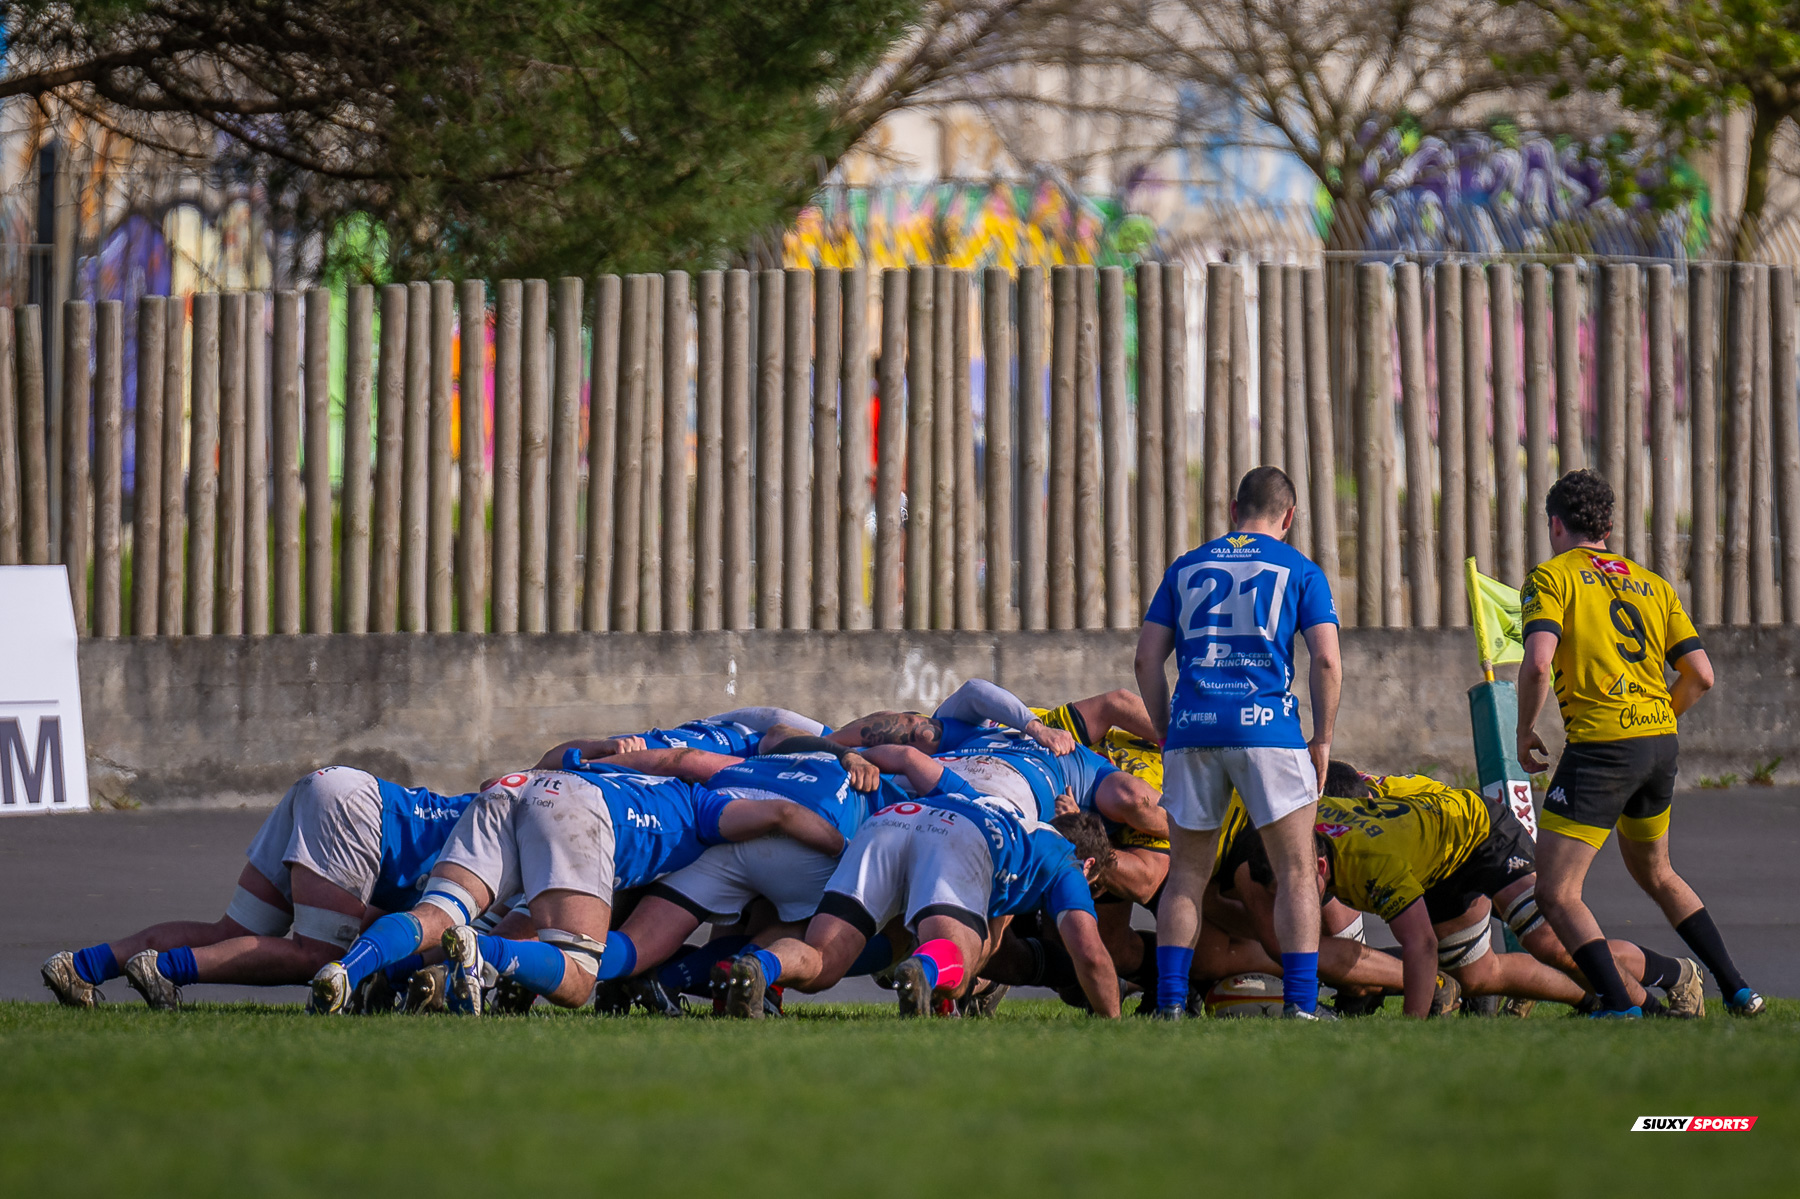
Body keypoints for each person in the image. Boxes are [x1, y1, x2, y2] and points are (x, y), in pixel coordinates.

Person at [307, 752, 847, 1015]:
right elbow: (779, 814)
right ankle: (483, 951)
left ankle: (345, 973)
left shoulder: (643, 777)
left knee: (440, 912)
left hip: (517, 786)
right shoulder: (702, 802)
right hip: (576, 812)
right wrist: (844, 852)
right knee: (578, 978)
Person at [1517, 469, 1762, 1018]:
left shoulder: (1552, 577)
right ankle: (1738, 989)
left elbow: (1536, 663)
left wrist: (1524, 729)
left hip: (1603, 744)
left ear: (1556, 524)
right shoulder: (1653, 584)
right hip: (1658, 742)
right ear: (1607, 524)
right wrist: (1653, 719)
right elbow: (1701, 674)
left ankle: (1623, 1005)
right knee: (1657, 872)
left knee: (1555, 892)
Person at [40, 764, 535, 1010]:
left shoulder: (517, 814)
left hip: (338, 788)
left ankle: (82, 965)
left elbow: (380, 924)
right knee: (318, 957)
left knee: (227, 931)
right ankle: (164, 969)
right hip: (358, 813)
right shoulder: (521, 863)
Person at [1135, 465, 1342, 1019]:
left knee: (1185, 874)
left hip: (1193, 729)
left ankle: (1171, 1005)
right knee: (1297, 870)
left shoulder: (1186, 566)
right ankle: (1301, 1005)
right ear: (1290, 517)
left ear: (1233, 509)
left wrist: (1163, 728)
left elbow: (1146, 658)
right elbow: (1325, 658)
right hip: (1267, 729)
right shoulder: (1300, 568)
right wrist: (1321, 738)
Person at [1261, 763, 1703, 1017]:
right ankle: (1603, 995)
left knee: (1550, 942)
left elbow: (1421, 945)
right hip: (1435, 864)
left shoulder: (1370, 856)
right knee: (1479, 976)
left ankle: (1656, 1001)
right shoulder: (1314, 828)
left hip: (1483, 835)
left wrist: (1409, 1033)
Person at [718, 743, 1122, 1019]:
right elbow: (1089, 953)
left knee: (822, 961)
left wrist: (853, 756)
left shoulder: (1002, 812)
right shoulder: (1066, 864)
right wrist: (1112, 1022)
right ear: (1088, 865)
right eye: (1095, 885)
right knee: (952, 964)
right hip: (959, 839)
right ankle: (922, 972)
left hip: (895, 819)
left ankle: (760, 966)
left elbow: (910, 756)